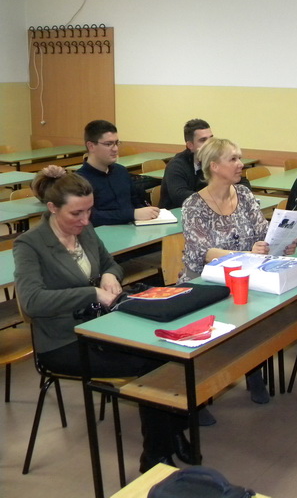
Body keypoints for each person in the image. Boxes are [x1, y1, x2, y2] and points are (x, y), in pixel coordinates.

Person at [13, 167, 190, 473]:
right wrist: (91, 292)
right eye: (76, 213)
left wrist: (109, 274)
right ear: (52, 208)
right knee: (151, 364)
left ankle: (173, 433)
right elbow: (32, 302)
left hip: (100, 326)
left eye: (89, 211)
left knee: (165, 349)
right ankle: (156, 454)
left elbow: (110, 263)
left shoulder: (85, 231)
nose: (85, 220)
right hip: (62, 341)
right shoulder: (30, 244)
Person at [180, 138, 297, 404]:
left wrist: (280, 242)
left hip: (245, 276)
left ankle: (252, 369)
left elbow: (262, 232)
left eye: (239, 158)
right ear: (214, 166)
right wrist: (246, 254)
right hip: (205, 282)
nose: (240, 164)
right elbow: (203, 252)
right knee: (220, 326)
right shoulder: (193, 205)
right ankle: (197, 397)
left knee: (260, 317)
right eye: (233, 159)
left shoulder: (243, 194)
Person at [77, 119, 159, 226]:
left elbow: (136, 201)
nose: (115, 149)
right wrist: (132, 214)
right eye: (108, 144)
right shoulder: (79, 181)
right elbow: (92, 217)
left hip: (134, 229)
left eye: (116, 143)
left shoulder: (121, 171)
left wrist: (148, 212)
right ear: (91, 146)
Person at [159, 118, 251, 209]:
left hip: (210, 209)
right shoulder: (176, 165)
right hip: (177, 213)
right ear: (190, 145)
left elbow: (243, 183)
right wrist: (217, 198)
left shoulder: (214, 160)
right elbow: (180, 196)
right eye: (203, 140)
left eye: (211, 139)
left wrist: (228, 196)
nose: (209, 144)